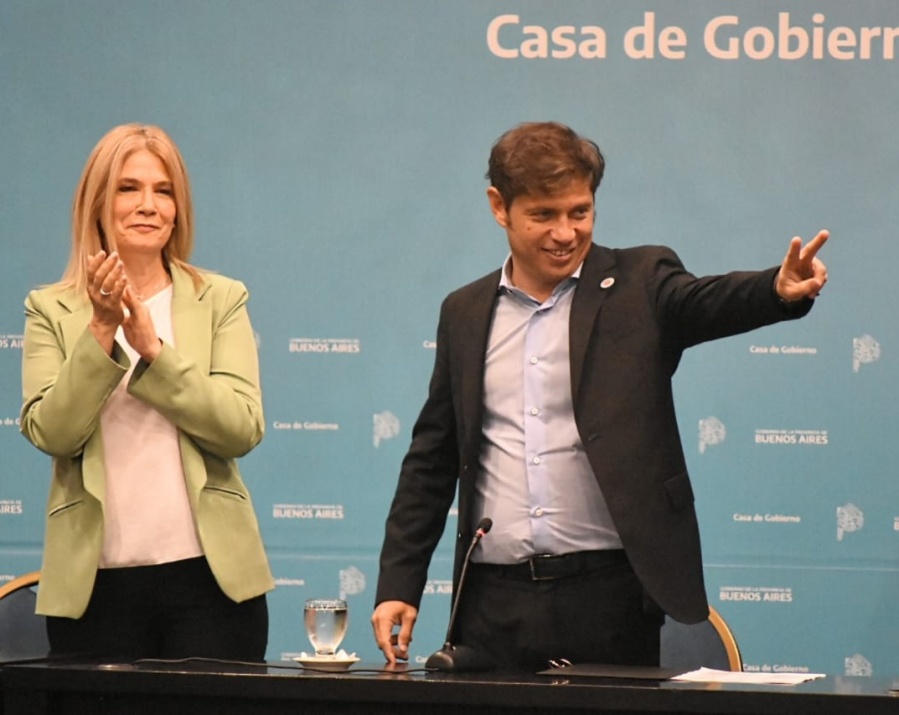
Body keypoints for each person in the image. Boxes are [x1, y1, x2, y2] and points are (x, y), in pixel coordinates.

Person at [371, 121, 828, 671]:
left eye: (579, 211)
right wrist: (400, 582)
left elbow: (707, 301)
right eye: (544, 214)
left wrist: (775, 291)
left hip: (611, 597)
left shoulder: (641, 282)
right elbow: (432, 459)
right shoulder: (464, 312)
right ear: (500, 207)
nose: (565, 233)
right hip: (492, 603)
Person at [20, 123, 274, 661]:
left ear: (178, 209)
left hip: (212, 586)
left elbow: (239, 428)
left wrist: (154, 352)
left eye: (163, 191)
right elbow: (54, 433)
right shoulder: (50, 308)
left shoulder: (220, 298)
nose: (148, 205)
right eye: (128, 188)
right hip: (95, 590)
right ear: (97, 202)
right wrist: (100, 335)